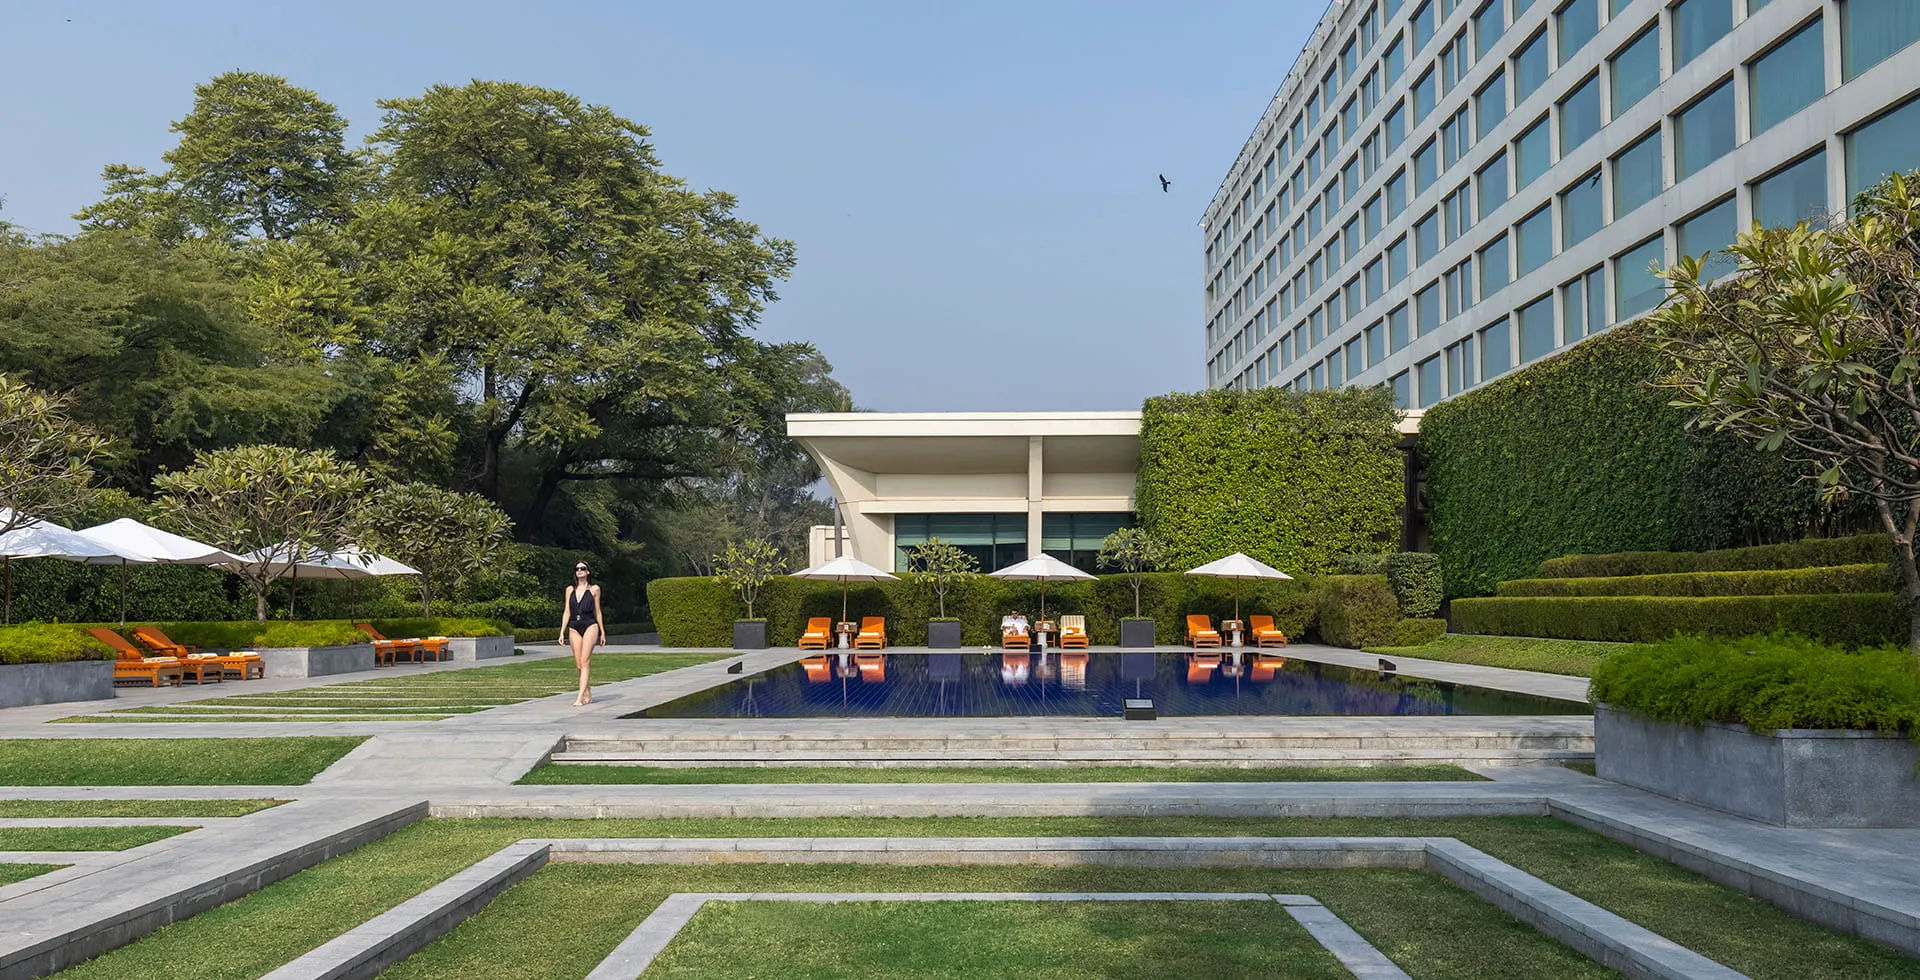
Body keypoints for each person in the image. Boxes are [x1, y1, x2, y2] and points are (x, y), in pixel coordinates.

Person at [558, 562, 604, 706]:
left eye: (582, 569)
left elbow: (597, 611)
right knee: (578, 664)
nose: (579, 571)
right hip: (574, 626)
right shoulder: (570, 590)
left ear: (588, 572)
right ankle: (587, 689)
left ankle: (579, 697)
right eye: (577, 569)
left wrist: (602, 632)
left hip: (590, 624)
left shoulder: (594, 589)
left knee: (585, 661)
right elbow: (567, 611)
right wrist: (562, 631)